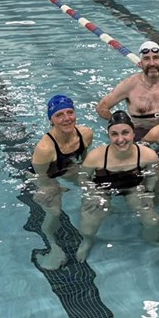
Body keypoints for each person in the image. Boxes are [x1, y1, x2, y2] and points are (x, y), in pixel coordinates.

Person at [75, 110, 159, 263]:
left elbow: (153, 174)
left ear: (133, 133)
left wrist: (148, 192)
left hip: (133, 188)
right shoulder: (96, 157)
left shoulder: (147, 155)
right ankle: (87, 241)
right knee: (87, 225)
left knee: (152, 221)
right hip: (102, 188)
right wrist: (92, 192)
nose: (120, 139)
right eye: (114, 134)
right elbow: (82, 177)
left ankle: (150, 240)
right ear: (109, 136)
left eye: (125, 133)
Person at [29, 95, 95, 269]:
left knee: (94, 191)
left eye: (70, 112)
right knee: (55, 211)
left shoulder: (86, 134)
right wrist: (54, 188)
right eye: (59, 115)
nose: (66, 118)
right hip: (45, 175)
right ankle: (53, 245)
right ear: (51, 119)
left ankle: (88, 238)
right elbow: (40, 176)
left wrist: (87, 178)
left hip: (68, 166)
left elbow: (85, 159)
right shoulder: (45, 148)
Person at [96, 41, 159, 141]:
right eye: (146, 59)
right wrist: (120, 125)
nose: (152, 63)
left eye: (155, 58)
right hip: (141, 136)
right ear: (140, 63)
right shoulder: (129, 85)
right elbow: (102, 107)